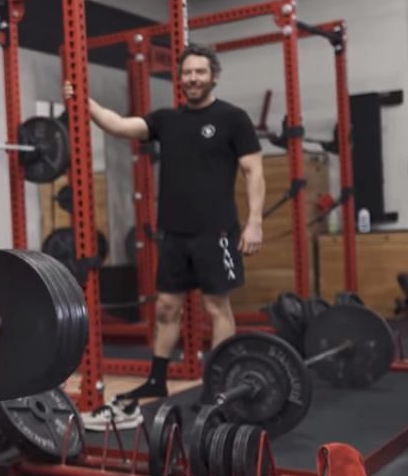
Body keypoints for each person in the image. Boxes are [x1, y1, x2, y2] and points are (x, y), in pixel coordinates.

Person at [75, 44, 265, 429]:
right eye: (187, 73)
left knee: (217, 308)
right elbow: (118, 125)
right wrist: (82, 101)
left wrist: (254, 221)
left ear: (213, 75)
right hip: (175, 233)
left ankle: (221, 380)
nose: (193, 78)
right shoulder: (167, 119)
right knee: (165, 307)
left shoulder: (233, 118)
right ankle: (157, 378)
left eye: (200, 72)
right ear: (180, 79)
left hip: (216, 231)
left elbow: (253, 172)